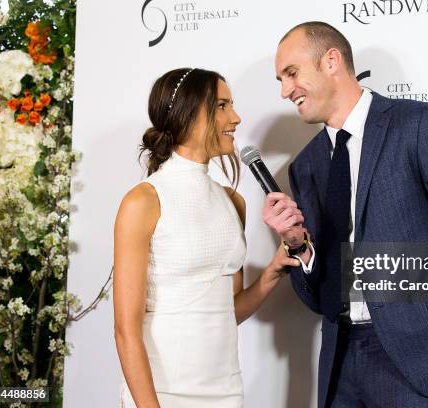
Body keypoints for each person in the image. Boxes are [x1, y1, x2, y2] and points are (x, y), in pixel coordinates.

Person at [263, 22, 428, 407]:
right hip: (339, 367)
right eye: (280, 79)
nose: (284, 90)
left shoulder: (419, 125)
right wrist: (301, 249)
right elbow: (321, 300)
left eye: (291, 73)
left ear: (331, 61)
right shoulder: (307, 166)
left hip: (421, 364)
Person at [113, 68, 301, 408]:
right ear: (188, 113)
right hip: (162, 394)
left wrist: (272, 272)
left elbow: (227, 310)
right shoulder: (143, 201)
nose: (236, 117)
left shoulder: (233, 202)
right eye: (222, 106)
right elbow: (126, 331)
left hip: (226, 392)